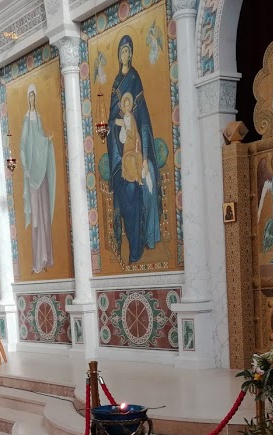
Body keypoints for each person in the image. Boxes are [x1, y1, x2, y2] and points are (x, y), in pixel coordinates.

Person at [108, 34, 161, 265]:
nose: (125, 55)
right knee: (124, 194)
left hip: (137, 153)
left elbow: (144, 121)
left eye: (128, 51)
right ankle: (131, 245)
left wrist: (143, 156)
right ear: (118, 55)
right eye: (122, 51)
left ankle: (140, 244)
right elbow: (111, 121)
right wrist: (117, 124)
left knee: (139, 191)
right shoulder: (114, 85)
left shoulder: (135, 78)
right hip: (120, 157)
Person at [20, 84, 56, 274]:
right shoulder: (26, 121)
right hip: (32, 172)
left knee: (43, 216)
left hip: (41, 171)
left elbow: (41, 138)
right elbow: (23, 145)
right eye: (30, 96)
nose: (32, 99)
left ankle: (46, 258)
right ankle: (36, 261)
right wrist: (25, 167)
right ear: (27, 99)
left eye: (34, 96)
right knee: (35, 218)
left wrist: (47, 140)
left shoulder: (38, 118)